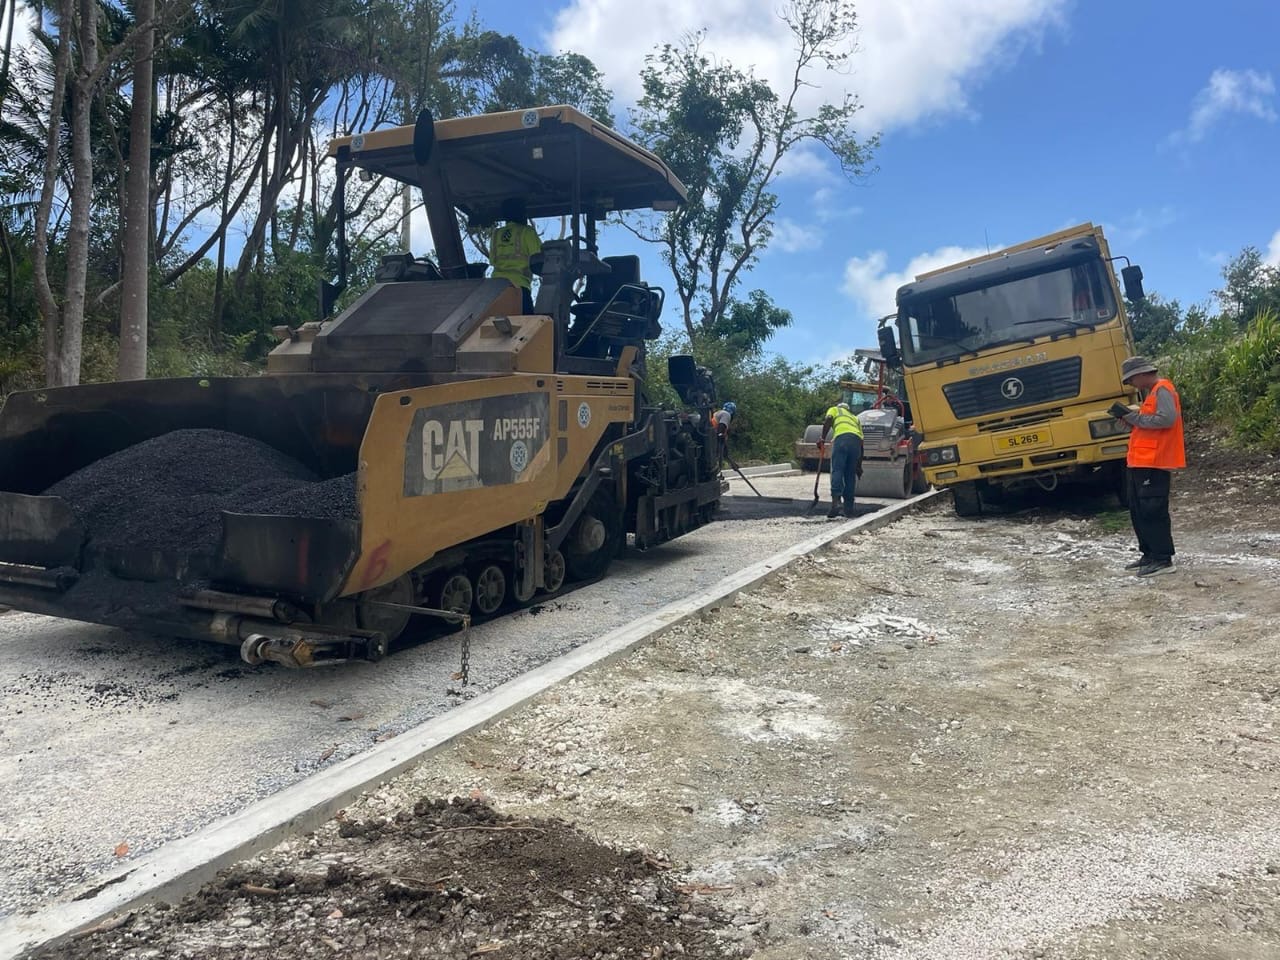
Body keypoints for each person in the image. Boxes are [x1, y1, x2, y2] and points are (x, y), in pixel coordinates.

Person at [1114, 355, 1184, 577]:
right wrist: (1130, 422)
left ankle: (1163, 559)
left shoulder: (1163, 389)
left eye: (1131, 379)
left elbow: (1166, 420)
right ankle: (1150, 554)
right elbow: (1147, 426)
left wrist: (1134, 418)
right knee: (1138, 509)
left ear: (1142, 374)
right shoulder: (1151, 394)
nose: (1130, 384)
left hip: (1155, 462)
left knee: (1153, 510)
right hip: (1140, 462)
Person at [489, 199, 542, 313]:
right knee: (528, 326)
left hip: (495, 290)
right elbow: (540, 259)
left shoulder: (496, 234)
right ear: (522, 214)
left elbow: (492, 261)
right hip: (519, 287)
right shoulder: (527, 232)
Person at [820, 400, 864, 519]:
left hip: (842, 439)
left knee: (837, 470)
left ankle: (836, 502)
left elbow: (829, 419)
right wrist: (859, 466)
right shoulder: (855, 418)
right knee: (850, 474)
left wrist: (822, 439)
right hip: (856, 443)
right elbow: (862, 444)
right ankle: (848, 509)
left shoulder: (835, 409)